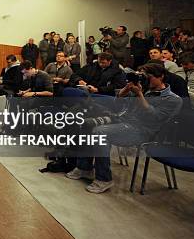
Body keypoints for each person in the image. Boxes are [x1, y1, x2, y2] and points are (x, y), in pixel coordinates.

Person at [66, 63, 182, 193]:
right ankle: (84, 168)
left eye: (148, 77)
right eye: (142, 77)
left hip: (143, 131)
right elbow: (118, 105)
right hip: (123, 121)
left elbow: (155, 117)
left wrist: (140, 95)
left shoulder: (172, 99)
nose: (145, 80)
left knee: (100, 133)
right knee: (87, 124)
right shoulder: (143, 88)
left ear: (161, 77)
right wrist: (124, 92)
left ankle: (104, 179)